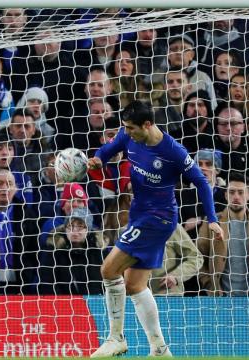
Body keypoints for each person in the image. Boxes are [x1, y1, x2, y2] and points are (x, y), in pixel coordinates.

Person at [88, 101, 223, 357]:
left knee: (108, 270)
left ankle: (116, 338)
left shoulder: (173, 151)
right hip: (139, 213)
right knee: (135, 285)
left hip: (158, 218)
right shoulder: (127, 135)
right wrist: (98, 159)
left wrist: (212, 218)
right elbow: (110, 148)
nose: (126, 132)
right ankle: (159, 348)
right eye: (124, 127)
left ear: (147, 125)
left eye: (130, 128)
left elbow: (202, 184)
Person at [197, 172, 249, 297]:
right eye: (231, 192)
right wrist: (209, 284)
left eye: (240, 192)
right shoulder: (212, 223)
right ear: (225, 195)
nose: (236, 196)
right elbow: (199, 257)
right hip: (220, 299)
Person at [38, 207, 105, 295]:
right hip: (62, 304)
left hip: (94, 304)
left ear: (88, 229)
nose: (74, 231)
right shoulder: (53, 251)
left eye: (80, 226)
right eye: (70, 226)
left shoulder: (99, 251)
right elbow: (47, 285)